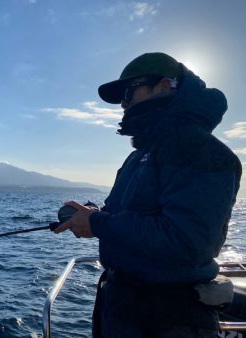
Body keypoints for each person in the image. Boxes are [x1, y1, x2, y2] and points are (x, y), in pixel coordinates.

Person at [54, 52, 242, 338]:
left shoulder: (206, 153)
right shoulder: (141, 155)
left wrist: (98, 223)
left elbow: (186, 242)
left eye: (129, 93)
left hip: (169, 320)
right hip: (124, 310)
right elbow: (132, 215)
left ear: (165, 87)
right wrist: (93, 216)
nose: (124, 105)